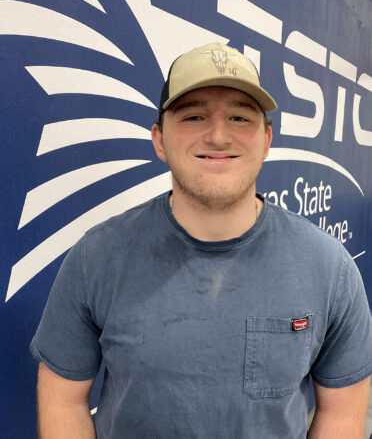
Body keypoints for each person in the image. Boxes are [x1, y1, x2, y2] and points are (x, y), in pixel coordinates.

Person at [31, 42, 372, 438]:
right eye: (193, 116)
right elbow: (63, 398)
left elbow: (343, 411)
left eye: (240, 118)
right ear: (160, 140)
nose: (217, 135)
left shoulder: (329, 267)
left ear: (266, 140)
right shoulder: (96, 257)